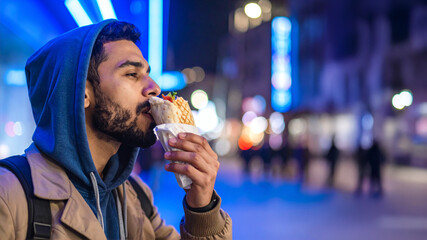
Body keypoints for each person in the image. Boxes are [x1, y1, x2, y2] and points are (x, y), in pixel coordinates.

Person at [0, 20, 231, 239]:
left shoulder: (137, 197)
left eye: (148, 74)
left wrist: (202, 208)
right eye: (132, 74)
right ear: (83, 93)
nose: (155, 87)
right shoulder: (9, 196)